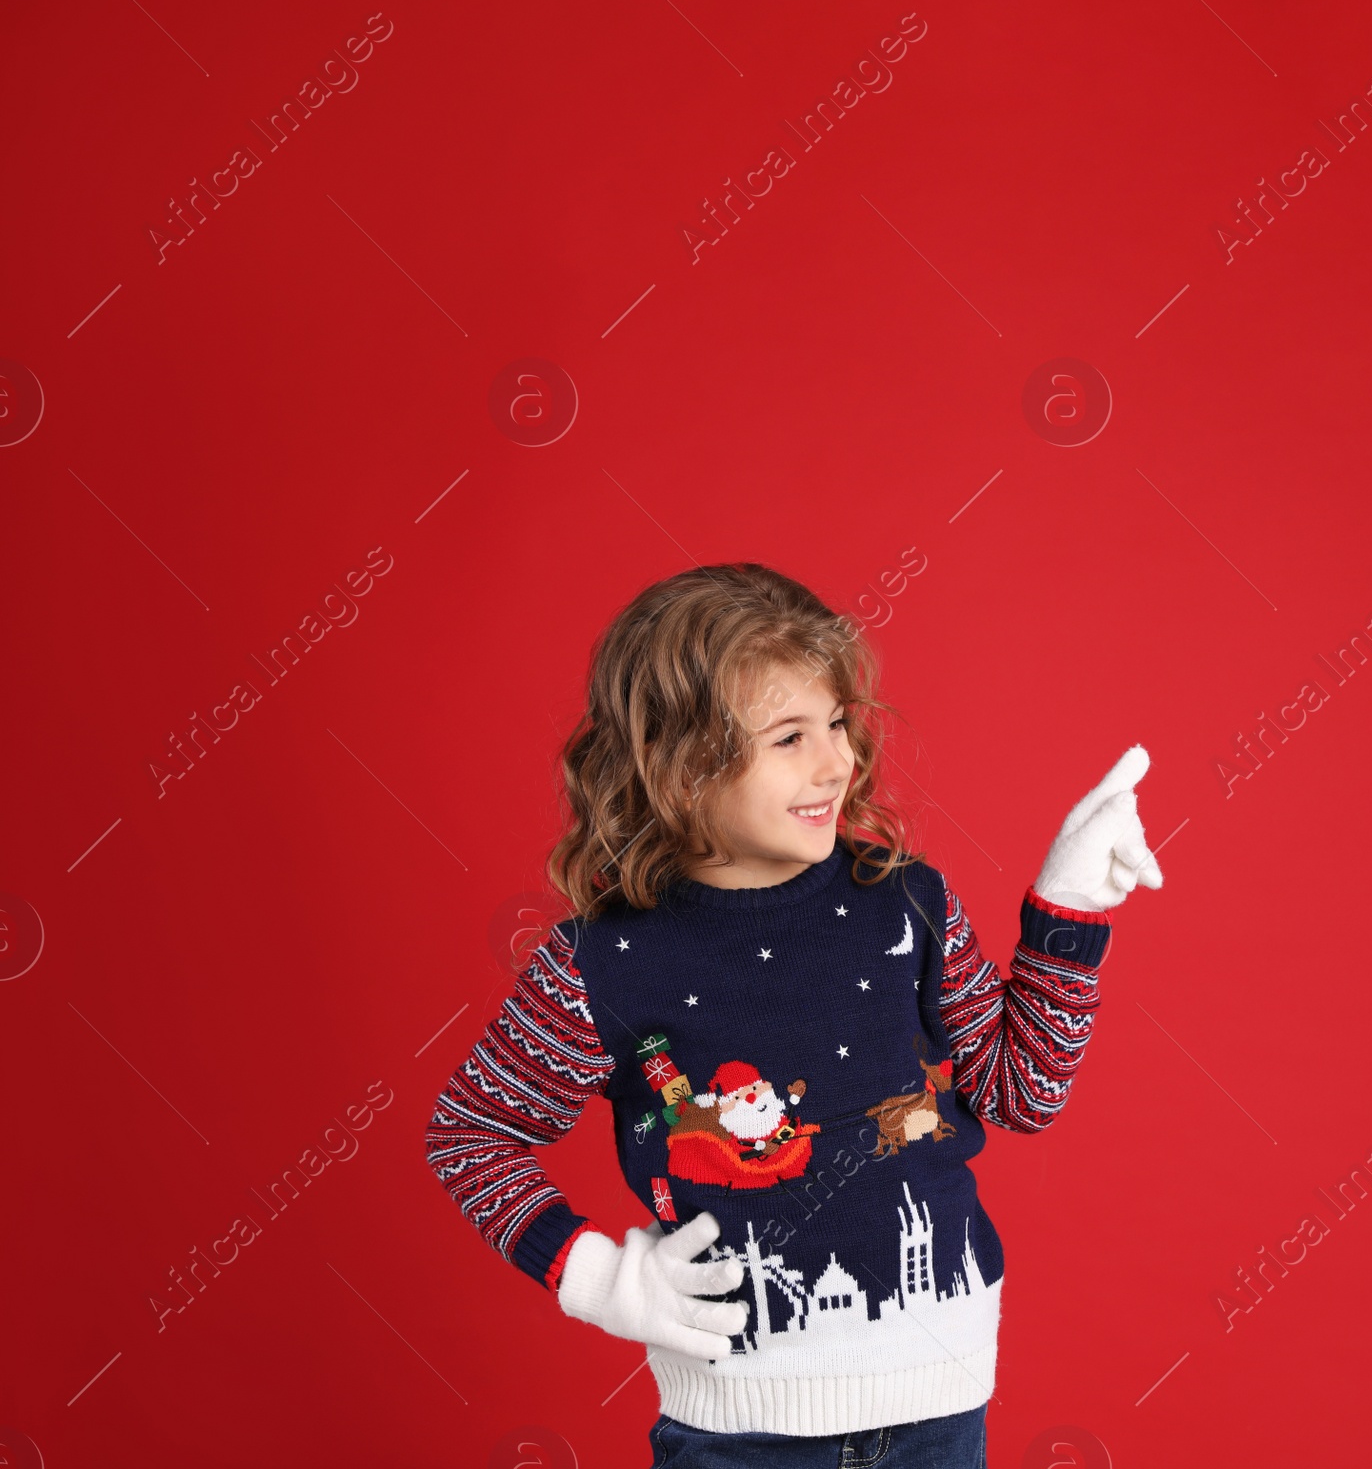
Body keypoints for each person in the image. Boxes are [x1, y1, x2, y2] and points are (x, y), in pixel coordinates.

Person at [424, 563, 1164, 1467]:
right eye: (788, 737)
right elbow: (469, 1134)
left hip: (942, 1407)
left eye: (838, 724)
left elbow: (1022, 1096)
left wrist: (1067, 912)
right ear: (679, 764)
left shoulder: (908, 904)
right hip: (740, 1434)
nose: (836, 762)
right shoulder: (600, 964)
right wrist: (595, 1276)